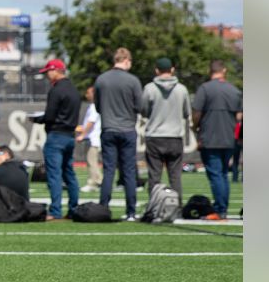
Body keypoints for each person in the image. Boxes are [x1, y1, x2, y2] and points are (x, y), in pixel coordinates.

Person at [95, 47, 143, 221]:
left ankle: (103, 207)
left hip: (108, 129)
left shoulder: (101, 79)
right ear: (127, 60)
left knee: (108, 171)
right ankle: (131, 211)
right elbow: (140, 106)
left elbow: (98, 106)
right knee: (129, 172)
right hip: (127, 129)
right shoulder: (133, 81)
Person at [193, 60, 242, 219]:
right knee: (222, 174)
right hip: (229, 138)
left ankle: (220, 209)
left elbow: (197, 112)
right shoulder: (234, 90)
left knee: (215, 174)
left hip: (210, 137)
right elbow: (239, 116)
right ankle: (223, 207)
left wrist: (196, 128)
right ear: (224, 71)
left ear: (210, 71)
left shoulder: (205, 89)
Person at [33, 58, 81, 220]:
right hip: (69, 136)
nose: (47, 75)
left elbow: (50, 116)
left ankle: (55, 211)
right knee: (70, 174)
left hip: (56, 136)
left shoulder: (56, 90)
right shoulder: (74, 90)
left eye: (48, 72)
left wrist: (37, 120)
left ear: (55, 71)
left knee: (54, 175)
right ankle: (74, 208)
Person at [140, 57, 192, 198]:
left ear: (157, 70)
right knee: (175, 176)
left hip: (155, 136)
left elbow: (143, 111)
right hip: (175, 137)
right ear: (172, 70)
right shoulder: (182, 89)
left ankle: (155, 206)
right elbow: (186, 113)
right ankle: (177, 206)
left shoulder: (149, 88)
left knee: (154, 176)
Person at [75, 86, 102, 193]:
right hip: (91, 137)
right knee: (91, 161)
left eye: (88, 93)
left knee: (92, 161)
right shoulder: (93, 106)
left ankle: (93, 182)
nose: (86, 95)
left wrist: (83, 134)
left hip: (93, 138)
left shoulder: (95, 106)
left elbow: (91, 122)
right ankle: (99, 180)